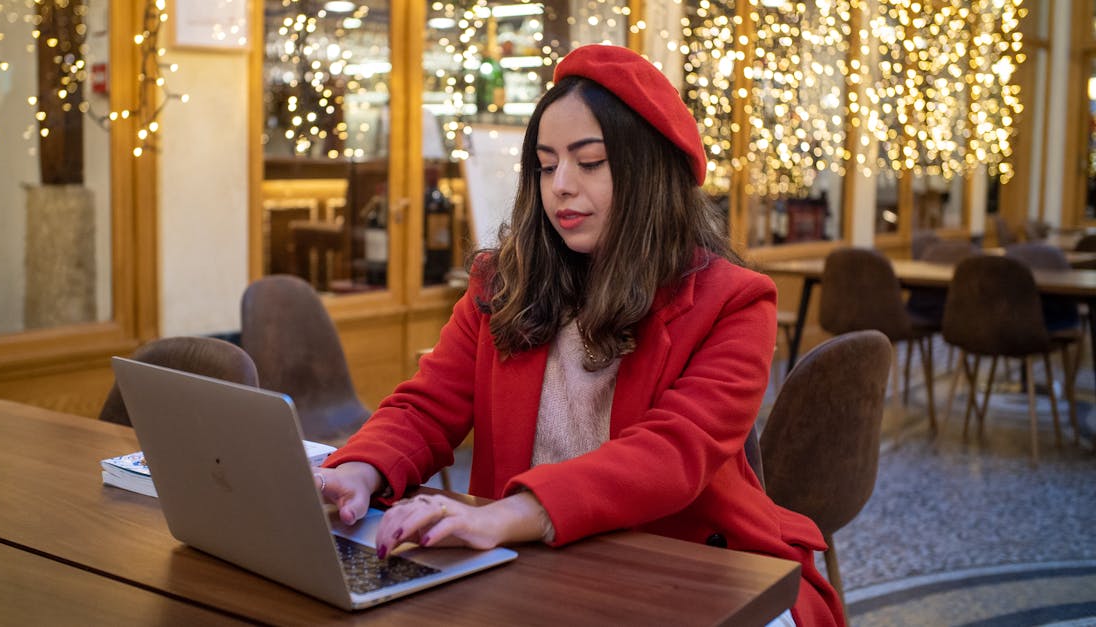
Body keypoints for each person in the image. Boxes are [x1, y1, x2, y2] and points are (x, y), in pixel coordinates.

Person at [317, 44, 845, 626]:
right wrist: (359, 470)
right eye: (546, 166)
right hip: (533, 564)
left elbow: (670, 454)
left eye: (589, 162)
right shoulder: (504, 282)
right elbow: (427, 406)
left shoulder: (734, 301)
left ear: (649, 173)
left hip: (691, 567)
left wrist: (511, 514)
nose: (560, 186)